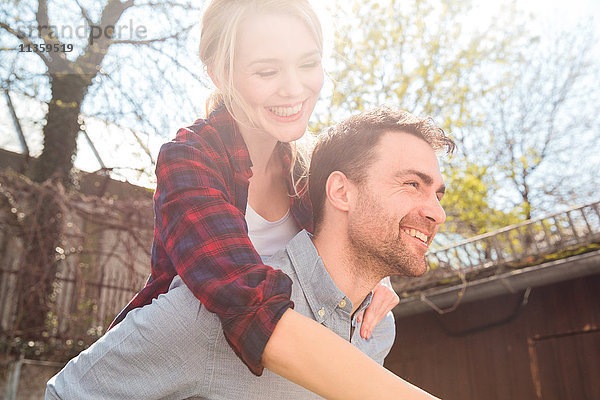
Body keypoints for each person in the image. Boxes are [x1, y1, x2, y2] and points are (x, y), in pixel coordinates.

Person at [47, 1, 412, 399]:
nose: (294, 87)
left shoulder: (312, 169)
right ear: (220, 74)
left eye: (308, 63)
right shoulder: (190, 156)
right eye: (267, 71)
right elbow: (246, 302)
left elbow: (338, 251)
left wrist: (373, 274)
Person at [46, 106, 454, 399]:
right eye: (411, 185)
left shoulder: (377, 328)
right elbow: (71, 392)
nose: (436, 212)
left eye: (437, 193)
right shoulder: (210, 313)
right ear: (342, 192)